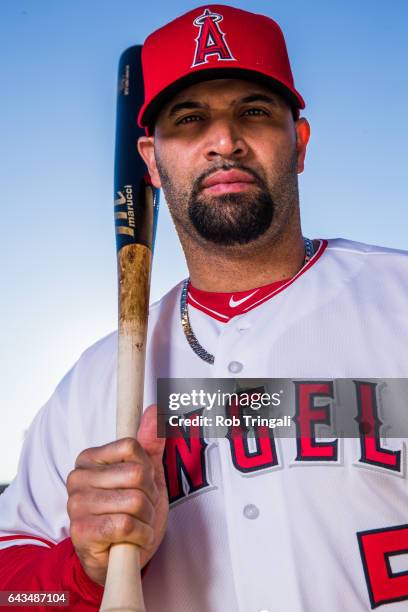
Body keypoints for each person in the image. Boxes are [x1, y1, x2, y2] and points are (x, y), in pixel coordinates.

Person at [1, 4, 407, 611]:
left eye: (254, 111)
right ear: (150, 163)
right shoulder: (96, 382)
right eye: (189, 119)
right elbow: (14, 585)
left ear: (298, 143)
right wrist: (82, 568)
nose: (224, 141)